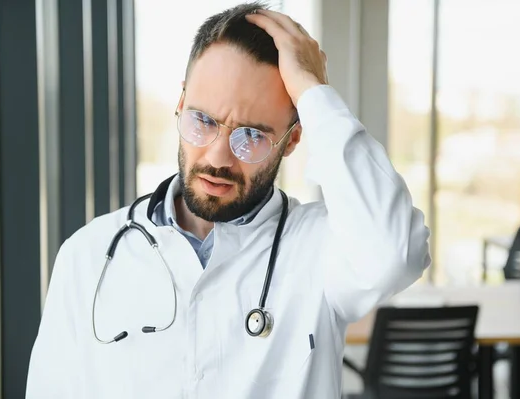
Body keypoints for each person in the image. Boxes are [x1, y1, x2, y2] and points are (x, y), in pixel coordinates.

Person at [26, 2, 430, 398]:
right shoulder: (89, 254)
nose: (219, 158)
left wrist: (313, 92)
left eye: (251, 135)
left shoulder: (320, 249)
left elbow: (396, 252)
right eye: (202, 120)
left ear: (292, 140)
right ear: (181, 104)